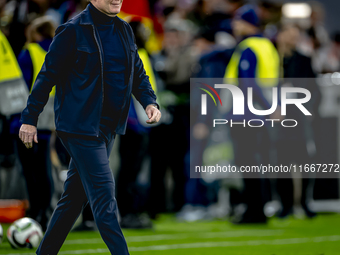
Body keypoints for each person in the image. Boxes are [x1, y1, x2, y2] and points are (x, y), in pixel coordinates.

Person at [18, 0, 161, 254]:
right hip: (79, 126)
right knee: (105, 200)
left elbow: (137, 72)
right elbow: (46, 76)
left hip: (107, 129)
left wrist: (150, 101)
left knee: (73, 200)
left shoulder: (125, 30)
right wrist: (30, 119)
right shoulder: (71, 30)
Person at [224, 4, 280, 224]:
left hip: (245, 114)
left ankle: (253, 211)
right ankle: (259, 209)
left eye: (237, 21)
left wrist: (269, 107)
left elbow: (247, 83)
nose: (234, 25)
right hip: (260, 115)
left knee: (247, 162)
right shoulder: (268, 46)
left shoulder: (248, 47)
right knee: (258, 162)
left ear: (247, 23)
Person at [12, 16, 56, 231]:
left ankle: (36, 213)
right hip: (48, 122)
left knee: (30, 172)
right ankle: (45, 213)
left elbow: (18, 88)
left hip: (26, 121)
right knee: (44, 169)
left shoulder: (29, 52)